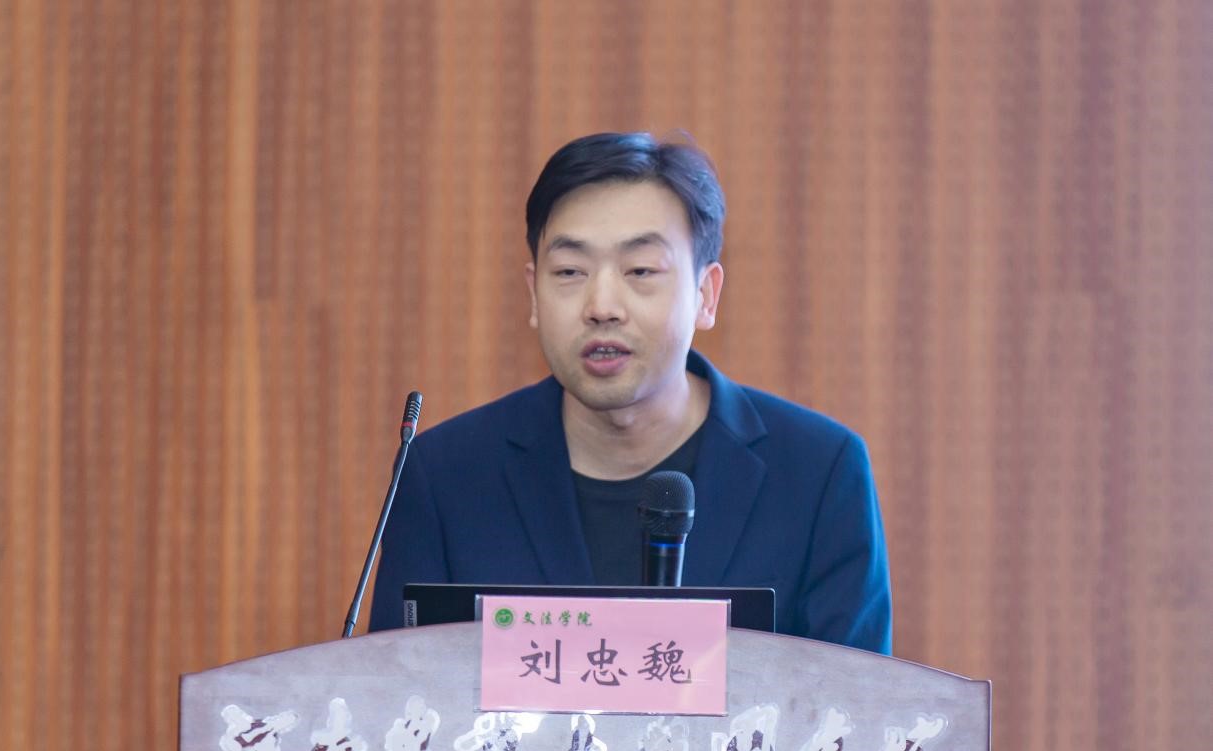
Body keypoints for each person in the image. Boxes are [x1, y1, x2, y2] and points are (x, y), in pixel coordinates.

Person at [368, 132, 892, 654]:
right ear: (533, 294)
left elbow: (855, 700)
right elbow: (396, 694)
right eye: (569, 272)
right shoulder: (444, 477)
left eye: (641, 270)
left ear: (705, 295)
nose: (602, 306)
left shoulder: (818, 474)